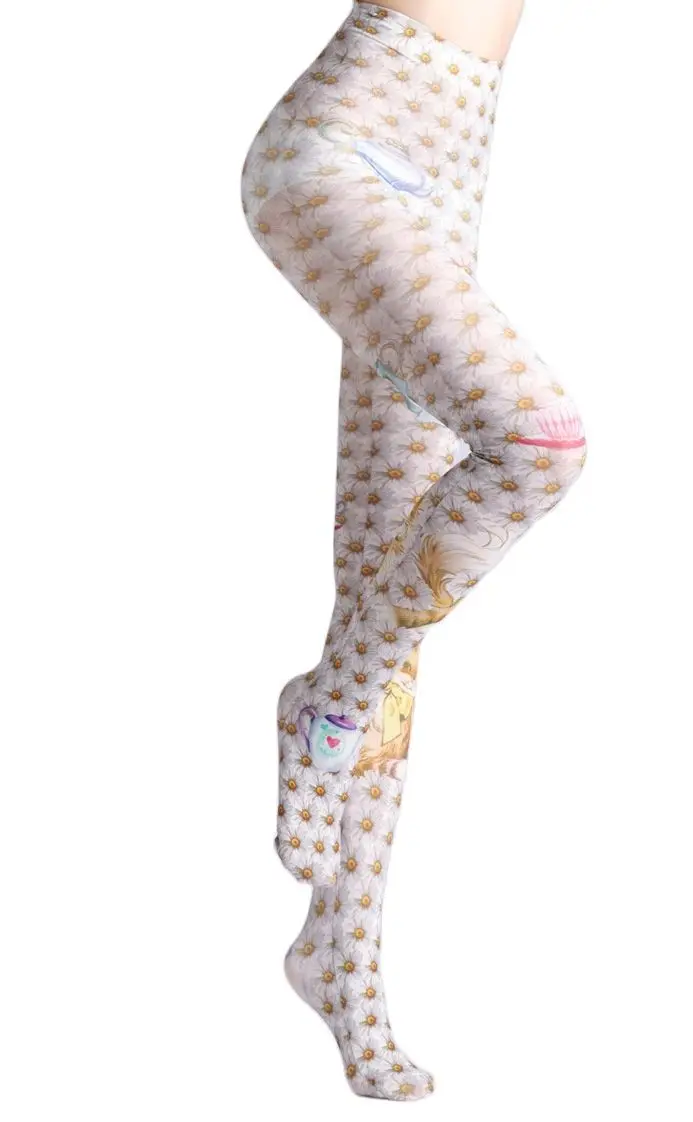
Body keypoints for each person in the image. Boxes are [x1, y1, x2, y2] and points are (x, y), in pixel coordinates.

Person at [241, 0, 586, 1099]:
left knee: (390, 565)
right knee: (538, 442)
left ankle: (340, 962)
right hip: (347, 142)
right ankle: (327, 705)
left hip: (455, 153)